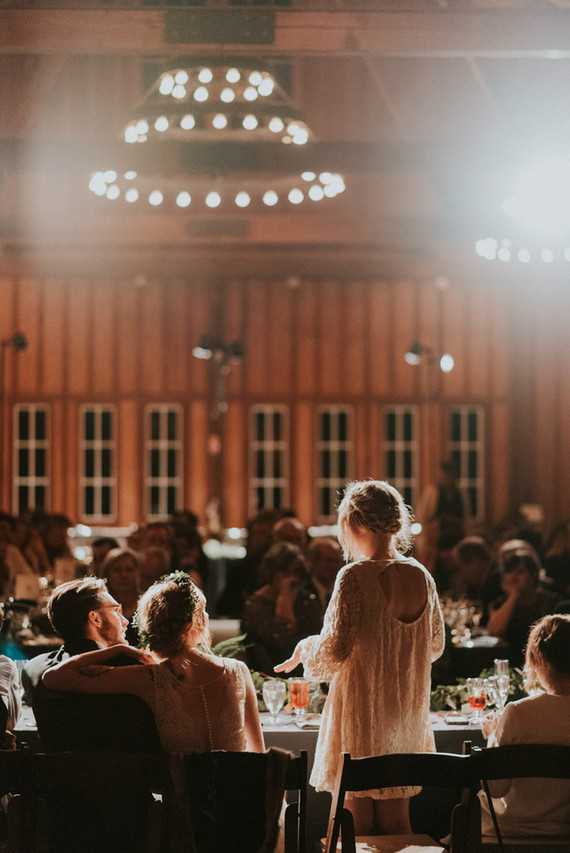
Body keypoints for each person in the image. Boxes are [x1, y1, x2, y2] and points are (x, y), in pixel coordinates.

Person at [276, 479, 444, 835]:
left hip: (362, 709)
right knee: (398, 816)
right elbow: (435, 646)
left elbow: (335, 650)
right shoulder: (422, 576)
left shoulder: (354, 576)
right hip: (405, 710)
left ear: (355, 523)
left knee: (355, 817)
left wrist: (306, 648)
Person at [43, 571, 264, 754]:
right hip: (236, 803)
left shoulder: (149, 677)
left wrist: (119, 650)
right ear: (195, 621)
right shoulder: (238, 671)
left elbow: (53, 676)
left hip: (183, 805)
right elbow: (258, 755)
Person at [21, 576, 161, 754]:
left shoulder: (33, 668)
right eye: (117, 611)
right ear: (95, 619)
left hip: (54, 777)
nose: (125, 620)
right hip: (123, 776)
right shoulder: (130, 666)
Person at [480, 614, 570, 841]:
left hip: (509, 832)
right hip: (565, 831)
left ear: (540, 658)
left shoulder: (519, 712)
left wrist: (492, 737)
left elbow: (495, 788)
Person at [241, 542, 310, 672]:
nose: (292, 579)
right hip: (267, 674)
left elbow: (314, 636)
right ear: (272, 573)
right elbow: (280, 644)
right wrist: (284, 600)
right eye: (286, 573)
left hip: (305, 669)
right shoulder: (256, 604)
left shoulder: (305, 599)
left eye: (296, 573)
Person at [487, 548, 558, 666]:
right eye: (509, 572)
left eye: (520, 571)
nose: (514, 576)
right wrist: (514, 596)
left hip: (545, 663)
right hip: (510, 663)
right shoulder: (500, 603)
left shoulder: (552, 602)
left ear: (533, 575)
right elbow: (494, 630)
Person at [100, 547, 141, 644]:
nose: (123, 575)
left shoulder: (146, 603)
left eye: (129, 570)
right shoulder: (99, 606)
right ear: (107, 574)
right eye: (117, 570)